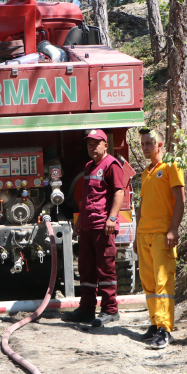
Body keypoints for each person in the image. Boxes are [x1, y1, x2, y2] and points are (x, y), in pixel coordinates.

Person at [63, 129, 125, 327]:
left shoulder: (112, 165)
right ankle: (86, 309)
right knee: (86, 269)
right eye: (89, 144)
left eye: (96, 143)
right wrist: (80, 219)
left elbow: (119, 192)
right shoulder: (89, 166)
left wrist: (112, 218)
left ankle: (110, 309)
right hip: (88, 226)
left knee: (105, 268)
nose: (92, 147)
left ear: (105, 145)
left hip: (103, 226)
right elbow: (88, 196)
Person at [134, 128, 185, 349]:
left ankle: (165, 330)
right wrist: (137, 236)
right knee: (149, 281)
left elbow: (180, 200)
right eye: (143, 144)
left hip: (163, 234)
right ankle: (155, 324)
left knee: (163, 281)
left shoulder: (172, 166)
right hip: (145, 234)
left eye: (149, 143)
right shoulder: (146, 173)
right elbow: (142, 206)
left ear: (160, 145)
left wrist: (173, 229)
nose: (145, 147)